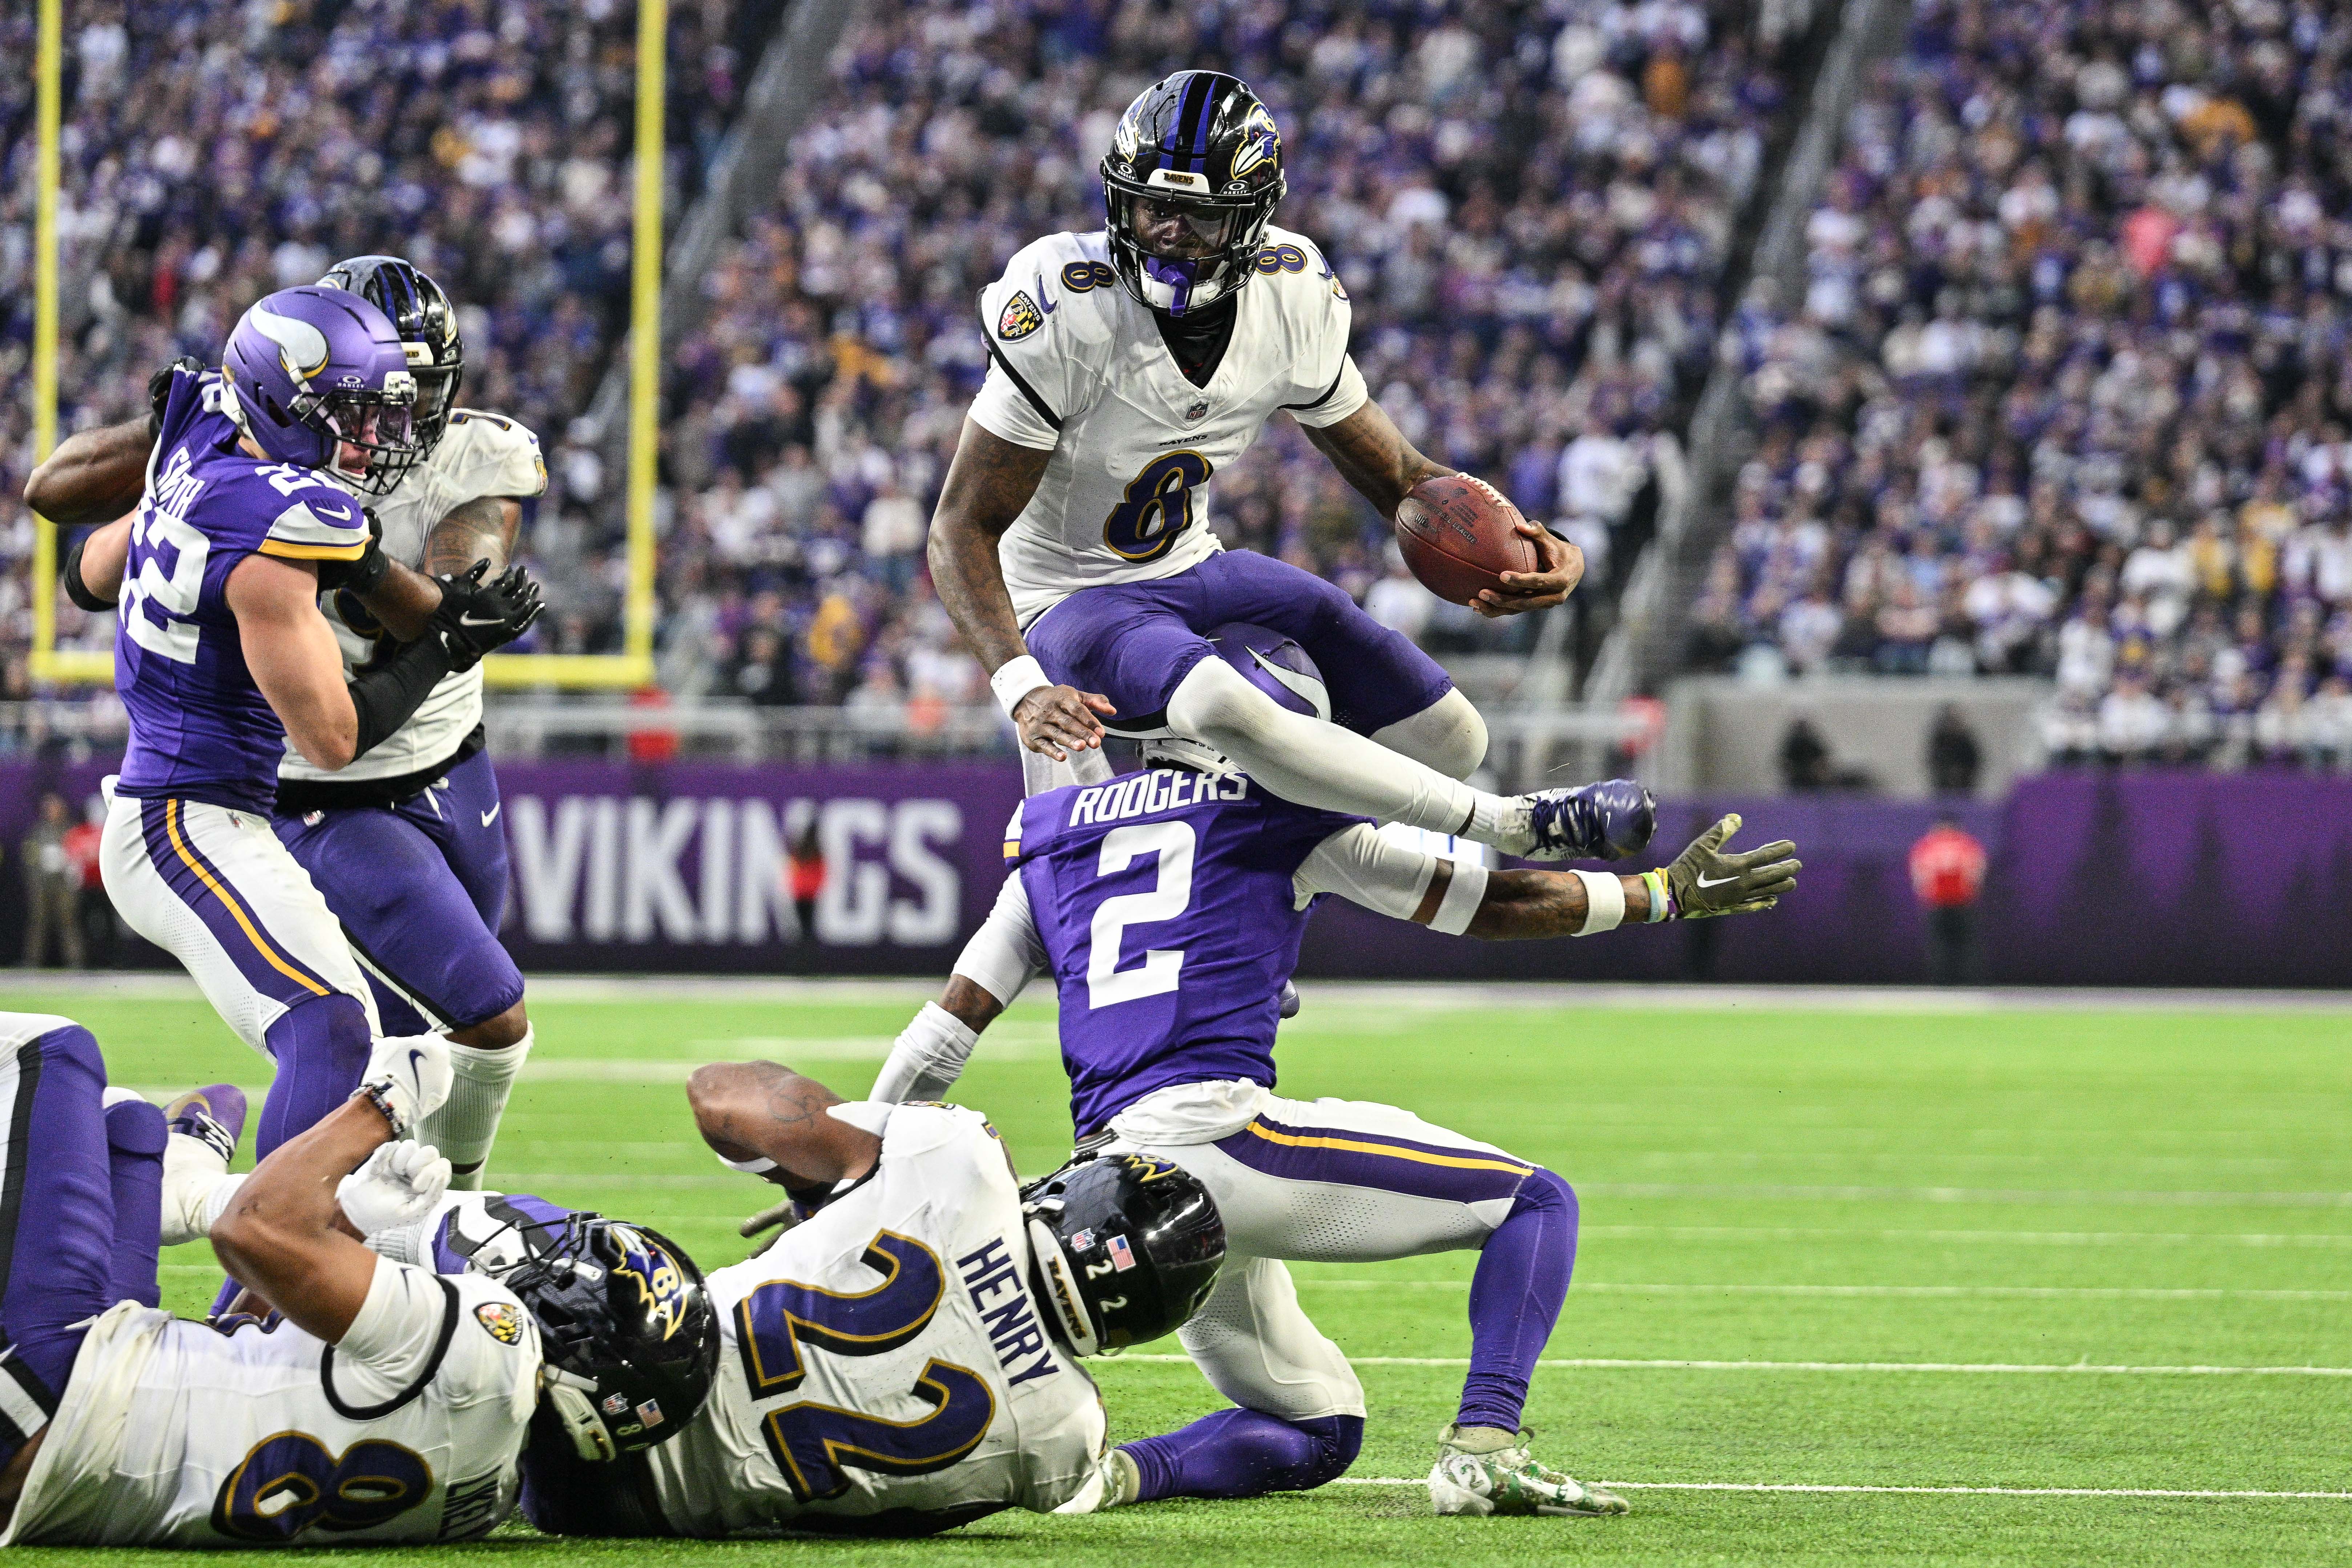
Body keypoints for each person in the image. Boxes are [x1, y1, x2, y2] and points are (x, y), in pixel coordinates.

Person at [867, 625, 1800, 1520]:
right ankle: (1484, 1446)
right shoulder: (1280, 806)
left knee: (1317, 1425)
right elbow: (1489, 900)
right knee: (1535, 1203)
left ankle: (1106, 1478)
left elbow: (941, 1036)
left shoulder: (1052, 831)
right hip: (1218, 1139)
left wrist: (857, 1163)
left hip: (1110, 1179)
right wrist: (1659, 895)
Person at [927, 69, 1651, 862]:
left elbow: (1402, 478)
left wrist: (1530, 539)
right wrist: (1020, 684)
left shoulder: (1289, 293)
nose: (1168, 231)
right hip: (1068, 598)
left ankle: (1260, 871)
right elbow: (960, 525)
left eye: (1198, 214)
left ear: (1249, 220)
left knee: (1449, 736)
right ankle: (1511, 824)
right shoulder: (1065, 300)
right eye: (1152, 205)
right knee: (1218, 702)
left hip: (1191, 567)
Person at [31, 256, 551, 1192]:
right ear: (286, 401)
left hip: (388, 773)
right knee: (379, 1026)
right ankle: (265, 1258)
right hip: (244, 806)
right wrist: (434, 636)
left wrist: (357, 562)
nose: (380, 435)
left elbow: (86, 575)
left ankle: (329, 1238)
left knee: (395, 1042)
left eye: (397, 402)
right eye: (356, 411)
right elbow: (338, 733)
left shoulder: (213, 465)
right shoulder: (275, 504)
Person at [347, 1065, 1227, 1534]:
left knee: (533, 1239)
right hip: (604, 1510)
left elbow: (720, 1095)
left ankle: (304, 1234)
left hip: (607, 1375)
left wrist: (820, 1182)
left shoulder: (958, 1159)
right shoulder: (1063, 1439)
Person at [0, 1010, 715, 1547]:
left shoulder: (490, 1346)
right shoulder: (487, 1496)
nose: (544, 1252)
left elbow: (249, 1231)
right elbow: (252, 1346)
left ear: (574, 1342)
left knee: (54, 1052)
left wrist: (384, 1104)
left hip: (58, 1382)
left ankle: (183, 1175)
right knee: (127, 1126)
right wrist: (349, 1219)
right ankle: (176, 1161)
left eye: (569, 1267)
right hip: (72, 1464)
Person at [1908, 817, 1987, 985]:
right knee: (1963, 946)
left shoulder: (1929, 845)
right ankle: (1966, 982)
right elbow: (1978, 870)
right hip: (1961, 903)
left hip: (1939, 903)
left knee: (1940, 945)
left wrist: (1925, 894)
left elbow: (1919, 872)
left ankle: (1940, 983)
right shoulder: (1966, 844)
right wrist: (1972, 890)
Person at [18, 793, 81, 968]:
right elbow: (28, 858)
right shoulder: (38, 833)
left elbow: (80, 858)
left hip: (64, 886)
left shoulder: (71, 831)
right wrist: (39, 867)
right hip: (42, 885)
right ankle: (32, 961)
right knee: (38, 923)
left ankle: (75, 962)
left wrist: (67, 863)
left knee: (68, 923)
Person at [1926, 704, 1982, 795]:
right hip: (1943, 788)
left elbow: (1974, 761)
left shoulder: (1966, 741)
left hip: (1965, 787)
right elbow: (1934, 761)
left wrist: (1962, 773)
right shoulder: (1940, 741)